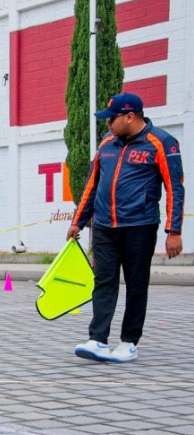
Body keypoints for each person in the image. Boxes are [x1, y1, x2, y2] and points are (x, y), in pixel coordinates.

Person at [68, 93, 184, 363]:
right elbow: (91, 185)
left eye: (111, 119)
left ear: (130, 117)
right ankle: (97, 340)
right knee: (103, 281)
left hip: (139, 226)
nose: (108, 124)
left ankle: (129, 342)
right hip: (104, 226)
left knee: (136, 285)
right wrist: (78, 221)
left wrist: (174, 231)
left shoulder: (162, 142)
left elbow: (175, 188)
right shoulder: (107, 144)